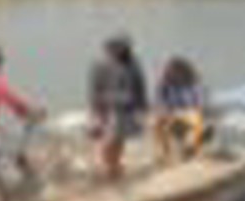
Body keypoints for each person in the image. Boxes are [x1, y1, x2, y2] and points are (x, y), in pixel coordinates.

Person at [88, 33, 147, 180]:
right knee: (109, 137)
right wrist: (95, 109)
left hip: (128, 105)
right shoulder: (99, 64)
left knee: (121, 138)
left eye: (122, 47)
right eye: (115, 47)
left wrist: (143, 105)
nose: (118, 50)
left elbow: (139, 84)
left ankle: (115, 164)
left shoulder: (133, 62)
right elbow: (95, 87)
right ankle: (109, 167)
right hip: (108, 105)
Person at [152, 56, 209, 164]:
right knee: (157, 122)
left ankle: (192, 148)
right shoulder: (163, 84)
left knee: (192, 120)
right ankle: (165, 153)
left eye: (173, 70)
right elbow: (159, 101)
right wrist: (165, 111)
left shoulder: (193, 84)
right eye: (168, 70)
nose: (169, 72)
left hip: (189, 113)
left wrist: (184, 112)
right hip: (171, 113)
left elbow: (198, 104)